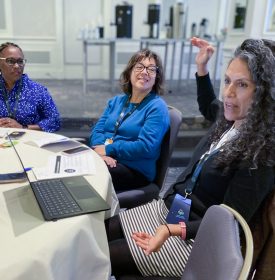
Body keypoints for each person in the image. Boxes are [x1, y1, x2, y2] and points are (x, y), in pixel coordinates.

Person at [105, 38, 275, 278]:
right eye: (227, 81)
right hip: (170, 210)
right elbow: (208, 104)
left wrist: (170, 230)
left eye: (242, 85)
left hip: (195, 238)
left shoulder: (262, 153)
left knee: (102, 254)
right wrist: (202, 68)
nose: (228, 93)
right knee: (100, 231)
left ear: (263, 94)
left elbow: (228, 226)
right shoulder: (229, 122)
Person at [90, 49, 169, 191]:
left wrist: (109, 150)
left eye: (151, 69)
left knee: (86, 173)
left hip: (135, 169)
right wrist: (99, 151)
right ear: (130, 72)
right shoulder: (116, 101)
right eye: (139, 67)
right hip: (106, 159)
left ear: (156, 77)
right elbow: (98, 129)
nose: (144, 72)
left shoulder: (157, 107)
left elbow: (146, 147)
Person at [0, 42, 60, 132]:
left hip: (28, 141)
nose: (17, 66)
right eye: (10, 61)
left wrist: (23, 128)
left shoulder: (37, 91)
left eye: (20, 61)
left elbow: (55, 121)